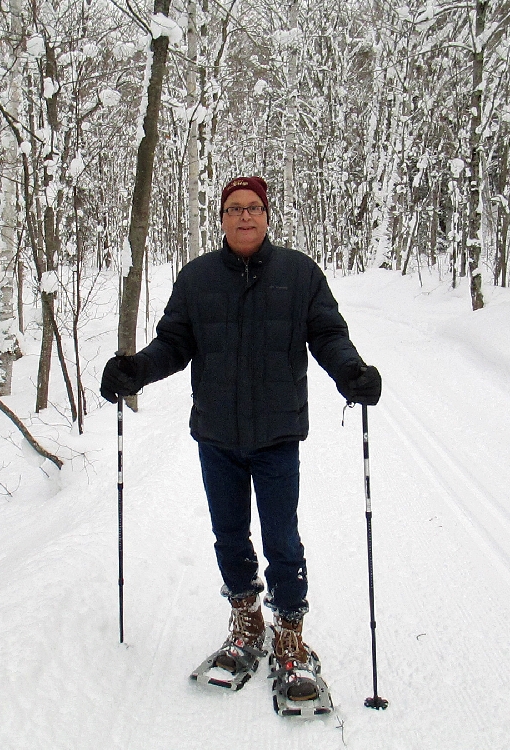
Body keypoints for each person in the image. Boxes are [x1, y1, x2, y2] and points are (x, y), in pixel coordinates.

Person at [100, 175, 381, 702]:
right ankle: (247, 621)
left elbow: (327, 335)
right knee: (229, 535)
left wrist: (352, 374)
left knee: (281, 539)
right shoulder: (198, 277)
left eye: (253, 208)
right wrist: (135, 370)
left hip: (277, 434)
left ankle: (291, 635)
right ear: (222, 219)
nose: (244, 216)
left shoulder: (299, 274)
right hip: (217, 435)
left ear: (267, 215)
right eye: (234, 209)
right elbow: (174, 343)